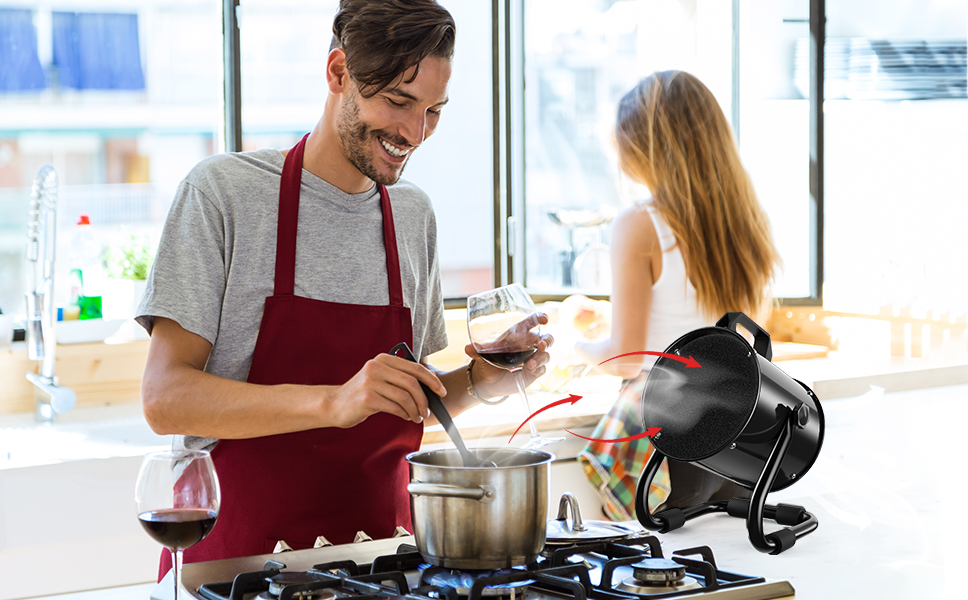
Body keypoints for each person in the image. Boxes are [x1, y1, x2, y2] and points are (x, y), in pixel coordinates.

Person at [135, 0, 551, 578]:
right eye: (399, 101)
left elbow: (400, 403)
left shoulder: (412, 216)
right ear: (338, 74)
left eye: (433, 110)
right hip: (239, 569)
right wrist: (335, 401)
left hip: (384, 565)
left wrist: (482, 380)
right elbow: (165, 398)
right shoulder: (224, 194)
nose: (415, 131)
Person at [572, 70, 780, 520]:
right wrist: (611, 318)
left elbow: (626, 361)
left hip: (668, 435)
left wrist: (578, 346)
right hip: (734, 431)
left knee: (649, 578)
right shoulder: (747, 224)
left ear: (644, 148)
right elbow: (706, 325)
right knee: (719, 573)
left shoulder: (640, 223)